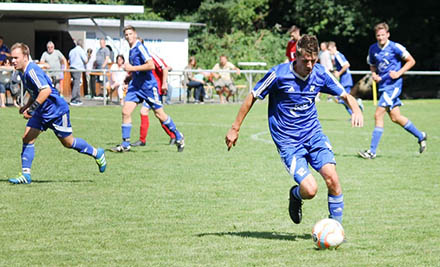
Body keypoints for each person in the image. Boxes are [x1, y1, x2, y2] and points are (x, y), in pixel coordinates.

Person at [225, 35, 364, 225]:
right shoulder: (279, 75)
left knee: (332, 179)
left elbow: (345, 95)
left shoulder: (320, 73)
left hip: (313, 135)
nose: (309, 65)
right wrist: (235, 128)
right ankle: (296, 194)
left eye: (313, 61)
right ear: (295, 56)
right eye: (305, 61)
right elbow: (252, 96)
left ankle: (336, 228)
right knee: (310, 190)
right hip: (288, 142)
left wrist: (355, 109)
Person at [7, 42, 106, 184]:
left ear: (25, 56)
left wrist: (32, 109)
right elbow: (34, 91)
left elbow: (45, 90)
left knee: (68, 142)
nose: (13, 61)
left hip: (56, 111)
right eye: (12, 58)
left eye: (16, 57)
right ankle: (26, 175)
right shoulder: (23, 72)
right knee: (27, 138)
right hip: (42, 111)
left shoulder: (31, 70)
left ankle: (97, 153)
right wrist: (27, 106)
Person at [110, 25, 184, 152]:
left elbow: (151, 65)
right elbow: (137, 68)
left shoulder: (140, 47)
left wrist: (132, 68)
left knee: (159, 114)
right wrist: (129, 78)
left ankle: (178, 136)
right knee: (126, 112)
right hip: (136, 86)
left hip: (148, 87)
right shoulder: (131, 49)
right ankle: (125, 144)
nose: (128, 37)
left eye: (130, 34)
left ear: (135, 34)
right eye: (126, 35)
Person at [359, 22, 427, 159]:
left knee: (378, 115)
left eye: (383, 35)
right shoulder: (373, 49)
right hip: (383, 87)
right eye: (378, 35)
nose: (380, 38)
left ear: (388, 34)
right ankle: (421, 135)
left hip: (394, 86)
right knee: (395, 117)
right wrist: (374, 75)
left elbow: (411, 61)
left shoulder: (395, 47)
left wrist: (399, 73)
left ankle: (372, 152)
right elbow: (372, 64)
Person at [327, 41, 363, 115]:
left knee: (342, 98)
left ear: (334, 48)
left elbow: (346, 65)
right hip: (344, 80)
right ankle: (353, 114)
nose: (329, 52)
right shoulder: (336, 56)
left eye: (330, 49)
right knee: (343, 99)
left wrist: (339, 73)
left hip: (346, 80)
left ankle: (357, 102)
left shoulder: (338, 55)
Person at [68, 39, 88, 106]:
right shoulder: (80, 50)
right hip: (77, 68)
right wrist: (88, 56)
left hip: (71, 68)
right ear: (82, 44)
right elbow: (85, 60)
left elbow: (69, 60)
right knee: (76, 84)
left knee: (76, 83)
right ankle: (74, 99)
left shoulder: (71, 51)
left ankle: (77, 99)